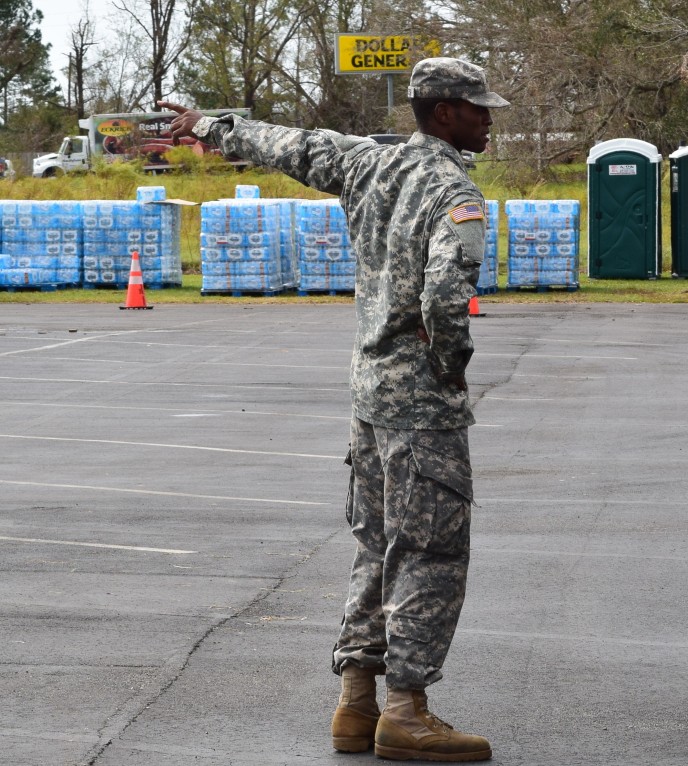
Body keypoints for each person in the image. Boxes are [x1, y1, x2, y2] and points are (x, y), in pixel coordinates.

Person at [160, 57, 508, 762]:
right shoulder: (453, 192)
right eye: (477, 108)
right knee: (430, 552)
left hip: (368, 397)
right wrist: (448, 366)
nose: (488, 119)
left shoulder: (368, 165)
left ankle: (356, 703)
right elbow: (446, 295)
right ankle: (407, 711)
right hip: (420, 409)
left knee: (375, 544)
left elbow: (291, 144)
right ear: (443, 111)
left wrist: (208, 125)